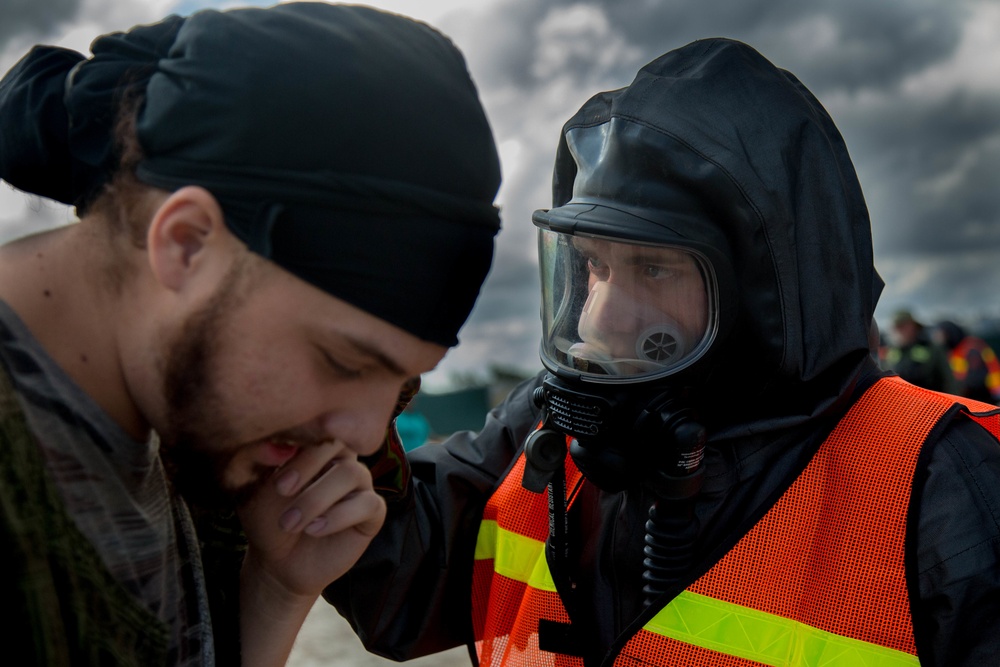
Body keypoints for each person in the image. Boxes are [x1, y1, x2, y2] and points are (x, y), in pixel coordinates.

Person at [320, 38, 1000, 665]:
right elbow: (388, 568)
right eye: (594, 265)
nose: (603, 316)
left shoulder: (945, 484)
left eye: (653, 269)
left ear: (768, 294)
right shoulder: (551, 426)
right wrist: (358, 363)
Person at [0, 3, 501, 666]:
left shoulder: (186, 433)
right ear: (186, 243)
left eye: (405, 382)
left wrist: (274, 592)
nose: (360, 435)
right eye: (343, 360)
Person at [883, 309, 955, 392]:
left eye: (903, 326)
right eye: (897, 327)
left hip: (930, 401)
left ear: (913, 326)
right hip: (902, 401)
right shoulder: (891, 350)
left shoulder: (931, 348)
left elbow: (947, 379)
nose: (900, 331)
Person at [933, 319, 1000, 405]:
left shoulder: (972, 347)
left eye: (943, 334)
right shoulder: (954, 349)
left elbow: (975, 378)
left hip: (989, 395)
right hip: (972, 396)